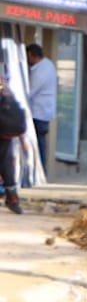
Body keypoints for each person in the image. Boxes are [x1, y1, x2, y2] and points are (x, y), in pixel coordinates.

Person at [25, 44, 55, 175]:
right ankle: (40, 169)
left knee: (37, 141)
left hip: (39, 112)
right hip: (43, 110)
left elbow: (31, 91)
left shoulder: (41, 71)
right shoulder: (48, 65)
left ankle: (39, 170)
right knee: (39, 141)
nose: (27, 60)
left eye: (28, 57)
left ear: (33, 55)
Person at [0, 72, 26, 214]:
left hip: (3, 128)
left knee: (6, 163)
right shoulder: (3, 82)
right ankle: (12, 198)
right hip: (6, 130)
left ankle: (12, 197)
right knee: (6, 163)